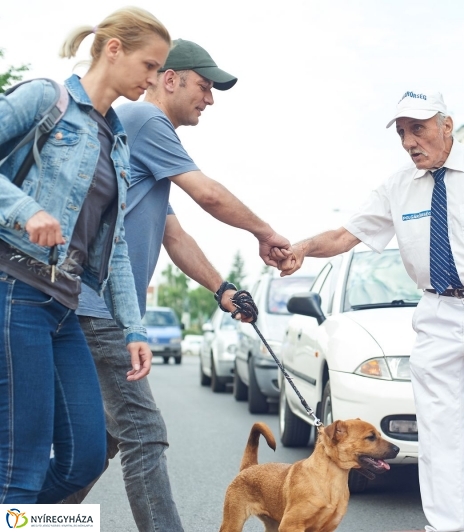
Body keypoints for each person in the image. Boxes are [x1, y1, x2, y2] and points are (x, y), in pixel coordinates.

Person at [273, 90, 464, 532]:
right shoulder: (397, 187)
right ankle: (445, 527)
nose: (410, 141)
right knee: (439, 430)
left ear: (447, 125)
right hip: (437, 311)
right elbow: (346, 235)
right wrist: (301, 249)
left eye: (419, 128)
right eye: (403, 132)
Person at [62, 39, 290, 531]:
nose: (209, 99)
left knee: (106, 437)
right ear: (171, 79)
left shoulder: (138, 137)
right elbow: (207, 194)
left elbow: (173, 232)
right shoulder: (147, 121)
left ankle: (29, 519)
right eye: (204, 87)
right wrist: (265, 233)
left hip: (102, 309)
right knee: (145, 432)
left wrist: (222, 290)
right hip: (98, 307)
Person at [0, 7, 171, 503]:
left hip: (65, 307)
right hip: (15, 291)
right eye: (149, 65)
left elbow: (114, 247)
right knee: (22, 465)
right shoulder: (44, 98)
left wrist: (134, 330)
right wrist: (26, 209)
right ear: (113, 49)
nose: (153, 79)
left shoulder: (116, 141)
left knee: (85, 459)